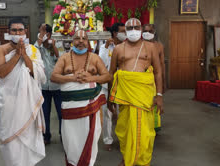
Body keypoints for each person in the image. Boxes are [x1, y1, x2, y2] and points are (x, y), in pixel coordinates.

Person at [51, 30, 112, 166]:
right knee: (70, 141)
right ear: (72, 41)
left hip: (90, 109)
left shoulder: (94, 58)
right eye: (77, 38)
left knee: (89, 139)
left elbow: (107, 77)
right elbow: (54, 77)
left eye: (84, 39)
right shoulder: (65, 57)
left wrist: (90, 78)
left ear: (87, 41)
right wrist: (73, 77)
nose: (80, 41)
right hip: (69, 109)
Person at [108, 18, 164, 166]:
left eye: (136, 27)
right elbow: (112, 73)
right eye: (130, 28)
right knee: (124, 130)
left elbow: (158, 72)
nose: (133, 30)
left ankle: (141, 161)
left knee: (145, 132)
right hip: (125, 95)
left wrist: (159, 95)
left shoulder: (151, 47)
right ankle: (127, 158)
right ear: (125, 31)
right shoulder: (118, 49)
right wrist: (109, 97)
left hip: (144, 96)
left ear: (141, 29)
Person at [0, 19, 46, 166]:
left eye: (20, 30)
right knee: (11, 142)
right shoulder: (1, 50)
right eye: (14, 30)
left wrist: (24, 55)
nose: (17, 33)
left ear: (25, 32)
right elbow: (1, 73)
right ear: (9, 32)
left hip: (28, 101)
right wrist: (17, 55)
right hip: (9, 101)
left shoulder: (33, 50)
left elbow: (39, 75)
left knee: (28, 137)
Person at [98, 22, 125, 151]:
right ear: (115, 33)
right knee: (107, 112)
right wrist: (107, 47)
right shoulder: (105, 47)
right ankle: (107, 139)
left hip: (122, 85)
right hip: (106, 86)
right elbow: (101, 64)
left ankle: (122, 139)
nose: (125, 34)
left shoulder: (126, 46)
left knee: (121, 112)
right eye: (123, 31)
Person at [34, 23, 61, 145]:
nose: (40, 34)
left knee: (61, 112)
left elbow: (60, 58)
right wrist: (40, 39)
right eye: (39, 32)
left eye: (42, 32)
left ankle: (63, 135)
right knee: (44, 113)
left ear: (48, 34)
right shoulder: (37, 46)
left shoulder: (57, 44)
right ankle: (46, 136)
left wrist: (53, 46)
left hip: (57, 86)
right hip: (44, 86)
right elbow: (34, 54)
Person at [142, 24, 166, 93]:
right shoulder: (137, 45)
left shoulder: (159, 46)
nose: (147, 33)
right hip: (141, 78)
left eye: (150, 31)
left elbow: (162, 64)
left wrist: (163, 81)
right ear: (141, 32)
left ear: (154, 32)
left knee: (154, 101)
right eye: (145, 31)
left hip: (155, 78)